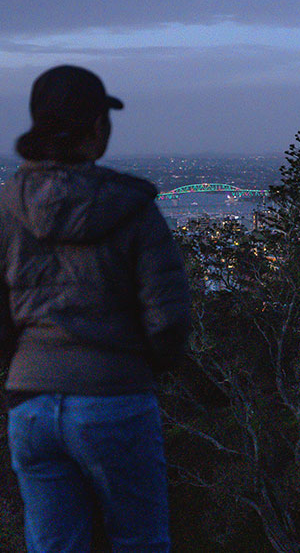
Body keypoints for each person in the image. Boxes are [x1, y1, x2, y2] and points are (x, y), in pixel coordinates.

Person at [0, 65, 192, 552]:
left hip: (31, 403)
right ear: (95, 129)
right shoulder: (131, 206)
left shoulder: (7, 207)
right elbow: (168, 317)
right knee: (140, 540)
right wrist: (153, 367)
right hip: (115, 395)